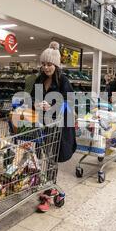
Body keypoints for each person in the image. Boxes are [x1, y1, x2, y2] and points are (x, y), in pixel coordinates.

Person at [31, 42, 77, 212]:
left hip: (57, 127)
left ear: (56, 65)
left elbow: (70, 102)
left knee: (51, 160)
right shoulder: (39, 79)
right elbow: (32, 98)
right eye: (43, 64)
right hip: (41, 126)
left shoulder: (63, 81)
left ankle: (48, 193)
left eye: (49, 64)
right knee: (38, 158)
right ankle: (43, 185)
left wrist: (52, 106)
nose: (46, 67)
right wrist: (35, 104)